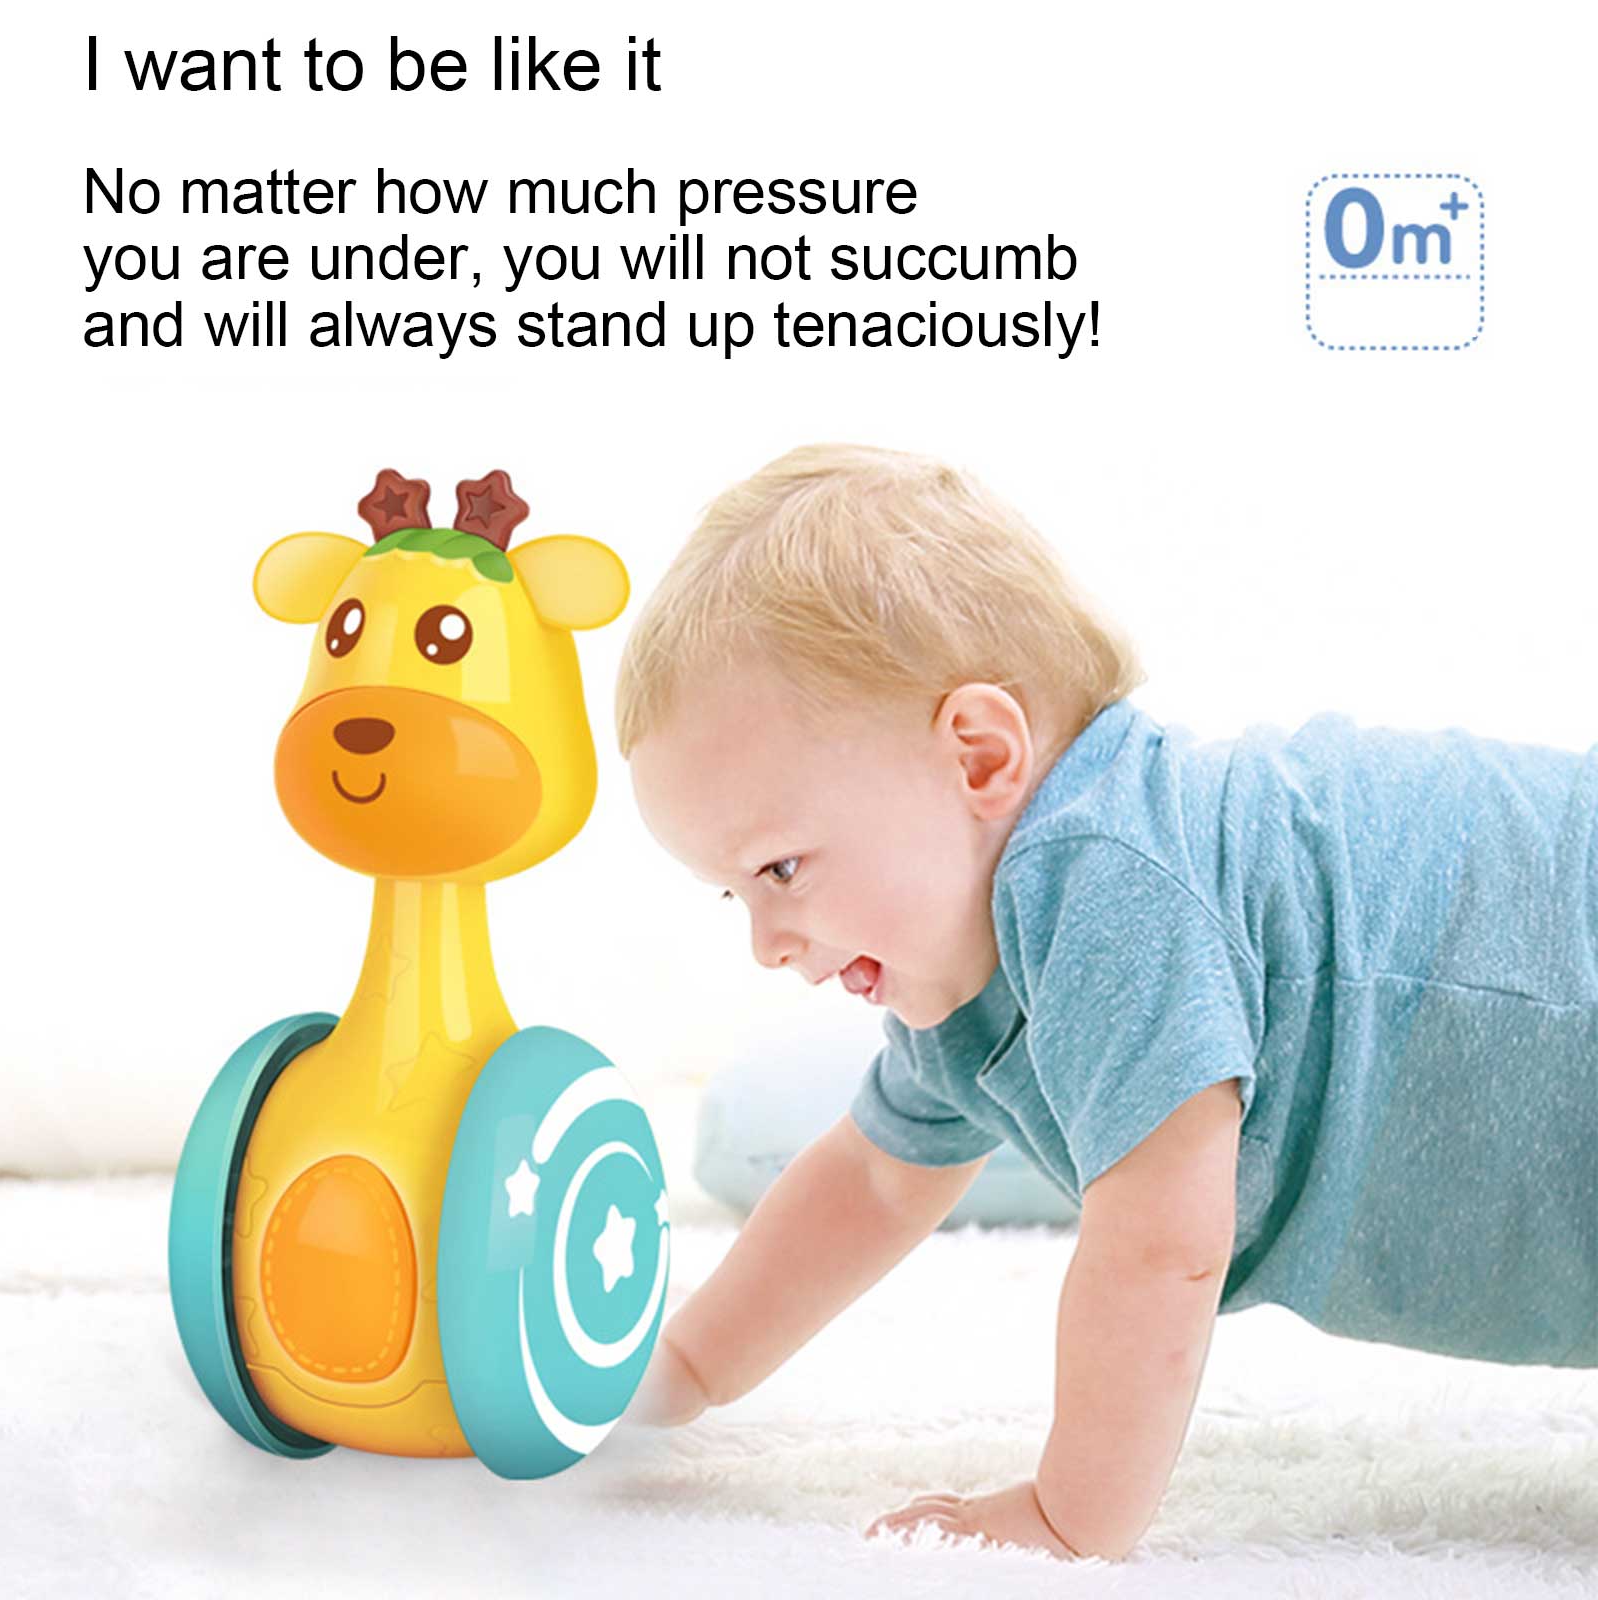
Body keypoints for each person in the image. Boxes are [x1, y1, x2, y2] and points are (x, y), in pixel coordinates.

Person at [613, 442, 1598, 1562]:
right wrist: (684, 1368)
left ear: (978, 757)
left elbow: (1160, 1243)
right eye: (734, 893)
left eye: (782, 868)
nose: (765, 942)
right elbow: (874, 1181)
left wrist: (1067, 1513)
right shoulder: (971, 986)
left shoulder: (1104, 871)